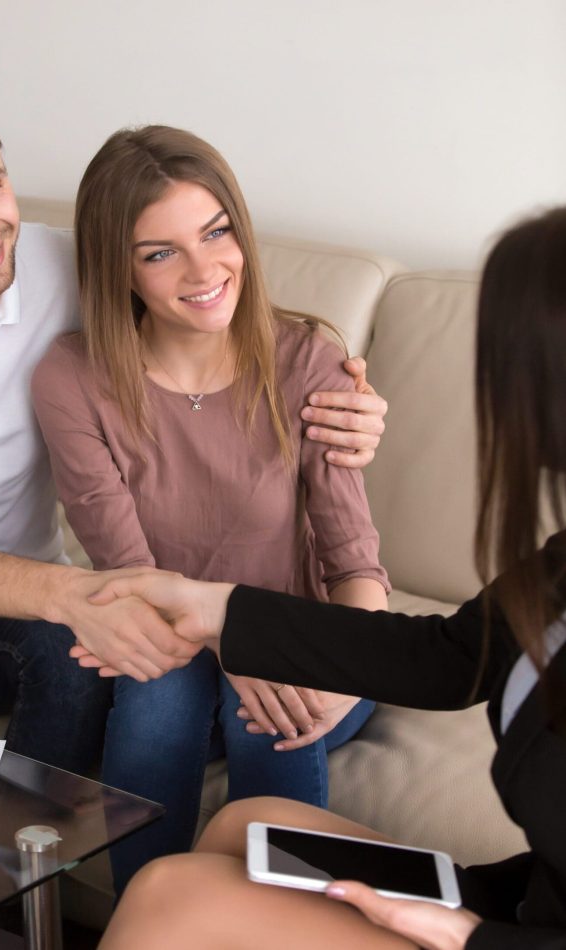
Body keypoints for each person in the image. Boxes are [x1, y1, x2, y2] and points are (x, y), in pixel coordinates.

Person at [0, 73, 387, 767]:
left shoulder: (72, 267)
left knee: (93, 686)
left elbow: (214, 308)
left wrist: (346, 401)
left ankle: (33, 866)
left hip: (20, 605)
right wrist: (78, 595)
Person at [79, 206, 566, 948]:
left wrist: (469, 934)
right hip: (520, 904)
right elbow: (451, 658)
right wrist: (217, 610)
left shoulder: (300, 359)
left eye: (503, 360)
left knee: (169, 896)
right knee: (247, 828)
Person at [31, 125, 389, 893]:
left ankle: (286, 934)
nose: (204, 270)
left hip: (304, 646)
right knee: (158, 700)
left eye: (216, 232)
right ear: (118, 269)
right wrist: (236, 643)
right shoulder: (74, 378)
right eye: (160, 252)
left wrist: (342, 673)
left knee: (269, 712)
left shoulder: (308, 363)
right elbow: (131, 576)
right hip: (168, 636)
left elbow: (357, 567)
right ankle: (145, 928)